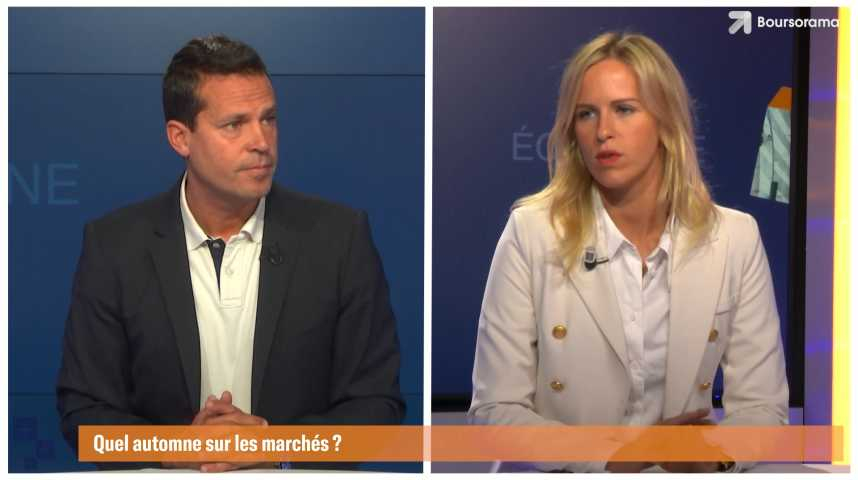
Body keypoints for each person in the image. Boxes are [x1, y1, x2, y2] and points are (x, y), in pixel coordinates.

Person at [56, 34, 404, 472]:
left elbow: (377, 410)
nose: (262, 141)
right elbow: (84, 418)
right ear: (180, 138)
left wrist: (276, 445)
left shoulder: (339, 238)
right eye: (234, 124)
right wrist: (177, 447)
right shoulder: (115, 246)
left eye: (269, 119)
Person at [468, 31, 788, 473]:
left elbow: (763, 408)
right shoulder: (533, 232)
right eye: (586, 114)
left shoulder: (734, 237)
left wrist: (714, 456)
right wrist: (615, 457)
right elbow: (494, 410)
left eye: (624, 109)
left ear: (665, 122)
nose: (603, 132)